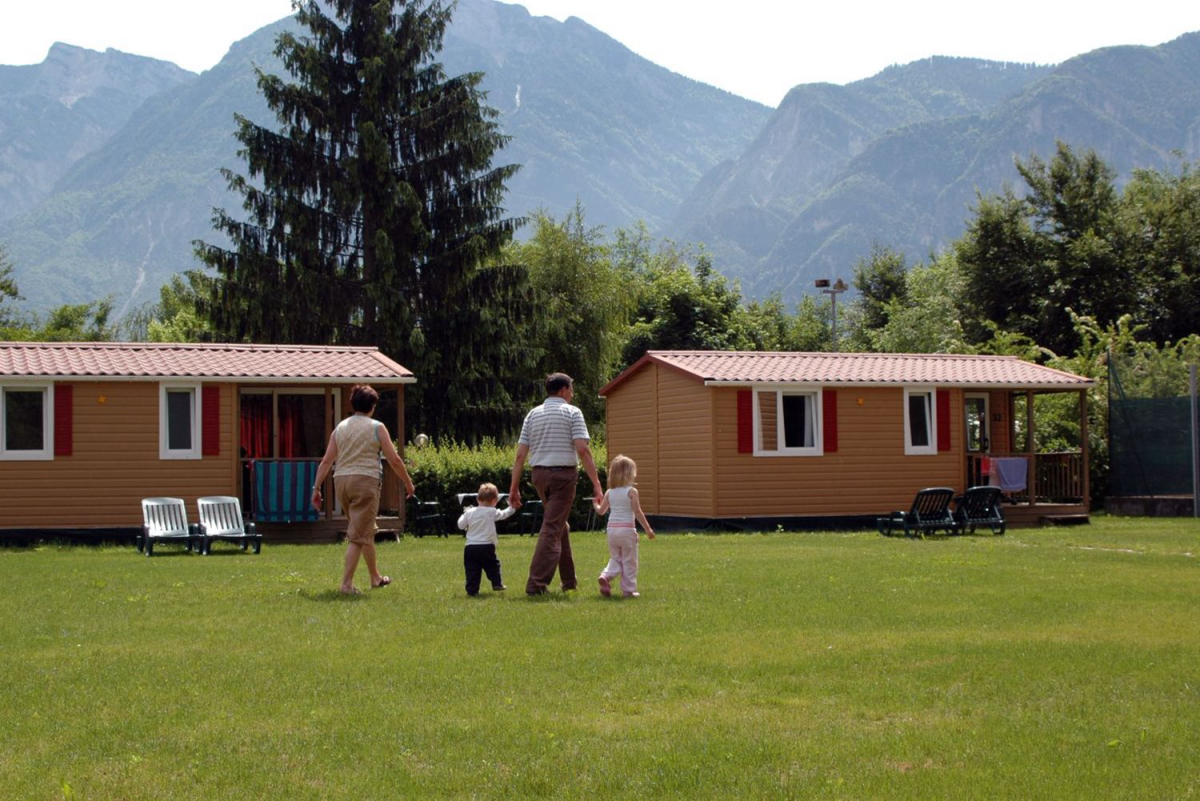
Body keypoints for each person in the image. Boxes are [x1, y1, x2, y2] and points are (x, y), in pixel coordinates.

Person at [311, 384, 415, 595]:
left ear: (352, 403)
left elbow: (326, 461)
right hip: (366, 482)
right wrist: (407, 481)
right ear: (373, 406)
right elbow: (394, 459)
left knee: (364, 528)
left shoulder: (340, 428)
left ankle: (375, 577)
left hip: (341, 481)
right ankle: (346, 585)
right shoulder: (377, 427)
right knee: (358, 534)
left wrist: (316, 488)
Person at [509, 372, 604, 595]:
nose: (572, 394)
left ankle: (569, 582)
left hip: (539, 476)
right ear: (563, 390)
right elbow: (582, 449)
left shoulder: (533, 414)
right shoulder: (572, 413)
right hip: (564, 477)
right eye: (571, 390)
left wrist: (513, 487)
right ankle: (536, 585)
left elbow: (520, 455)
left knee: (561, 525)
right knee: (552, 527)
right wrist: (597, 483)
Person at [593, 455, 655, 598]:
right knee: (629, 560)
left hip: (612, 531)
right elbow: (637, 512)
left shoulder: (609, 492)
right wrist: (648, 529)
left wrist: (596, 504)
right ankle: (628, 590)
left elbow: (601, 511)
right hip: (627, 530)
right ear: (629, 474)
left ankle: (606, 575)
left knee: (616, 558)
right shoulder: (631, 492)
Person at [457, 482, 516, 596]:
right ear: (495, 500)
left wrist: (463, 514)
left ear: (477, 499)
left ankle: (472, 590)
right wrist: (512, 507)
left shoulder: (469, 512)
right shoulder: (492, 512)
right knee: (493, 565)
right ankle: (497, 583)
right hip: (487, 546)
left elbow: (460, 525)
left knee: (472, 569)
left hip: (470, 547)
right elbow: (504, 514)